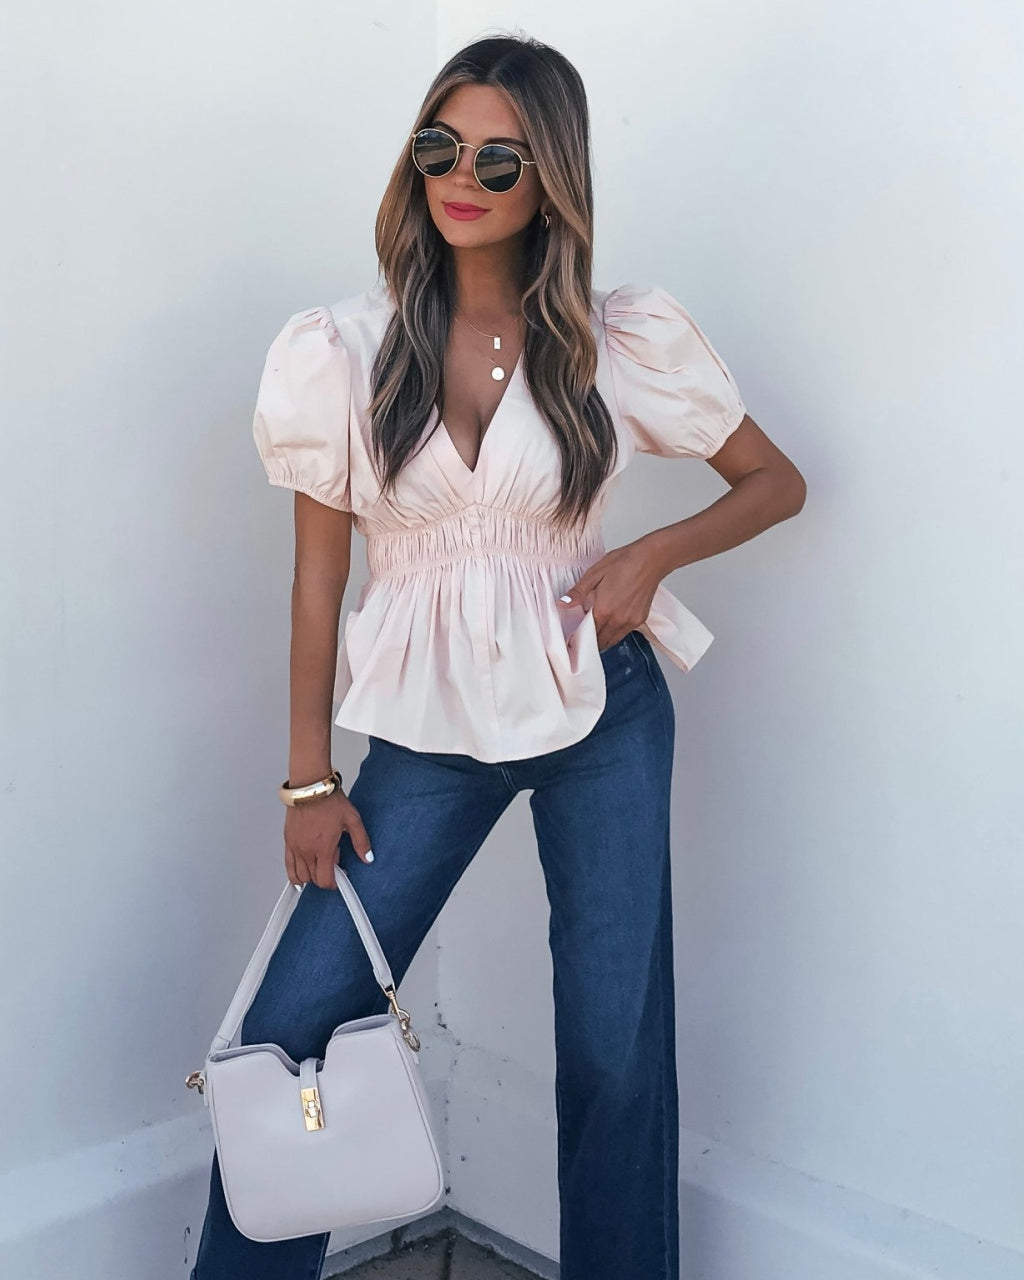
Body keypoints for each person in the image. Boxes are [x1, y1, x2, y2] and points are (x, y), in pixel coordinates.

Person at [188, 31, 806, 1280]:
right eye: (439, 146)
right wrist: (310, 776)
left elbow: (772, 482)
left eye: (497, 157)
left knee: (615, 1048)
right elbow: (320, 576)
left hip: (602, 710)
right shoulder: (346, 352)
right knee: (297, 1024)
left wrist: (649, 558)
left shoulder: (610, 341)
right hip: (424, 735)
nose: (459, 175)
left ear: (552, 180)